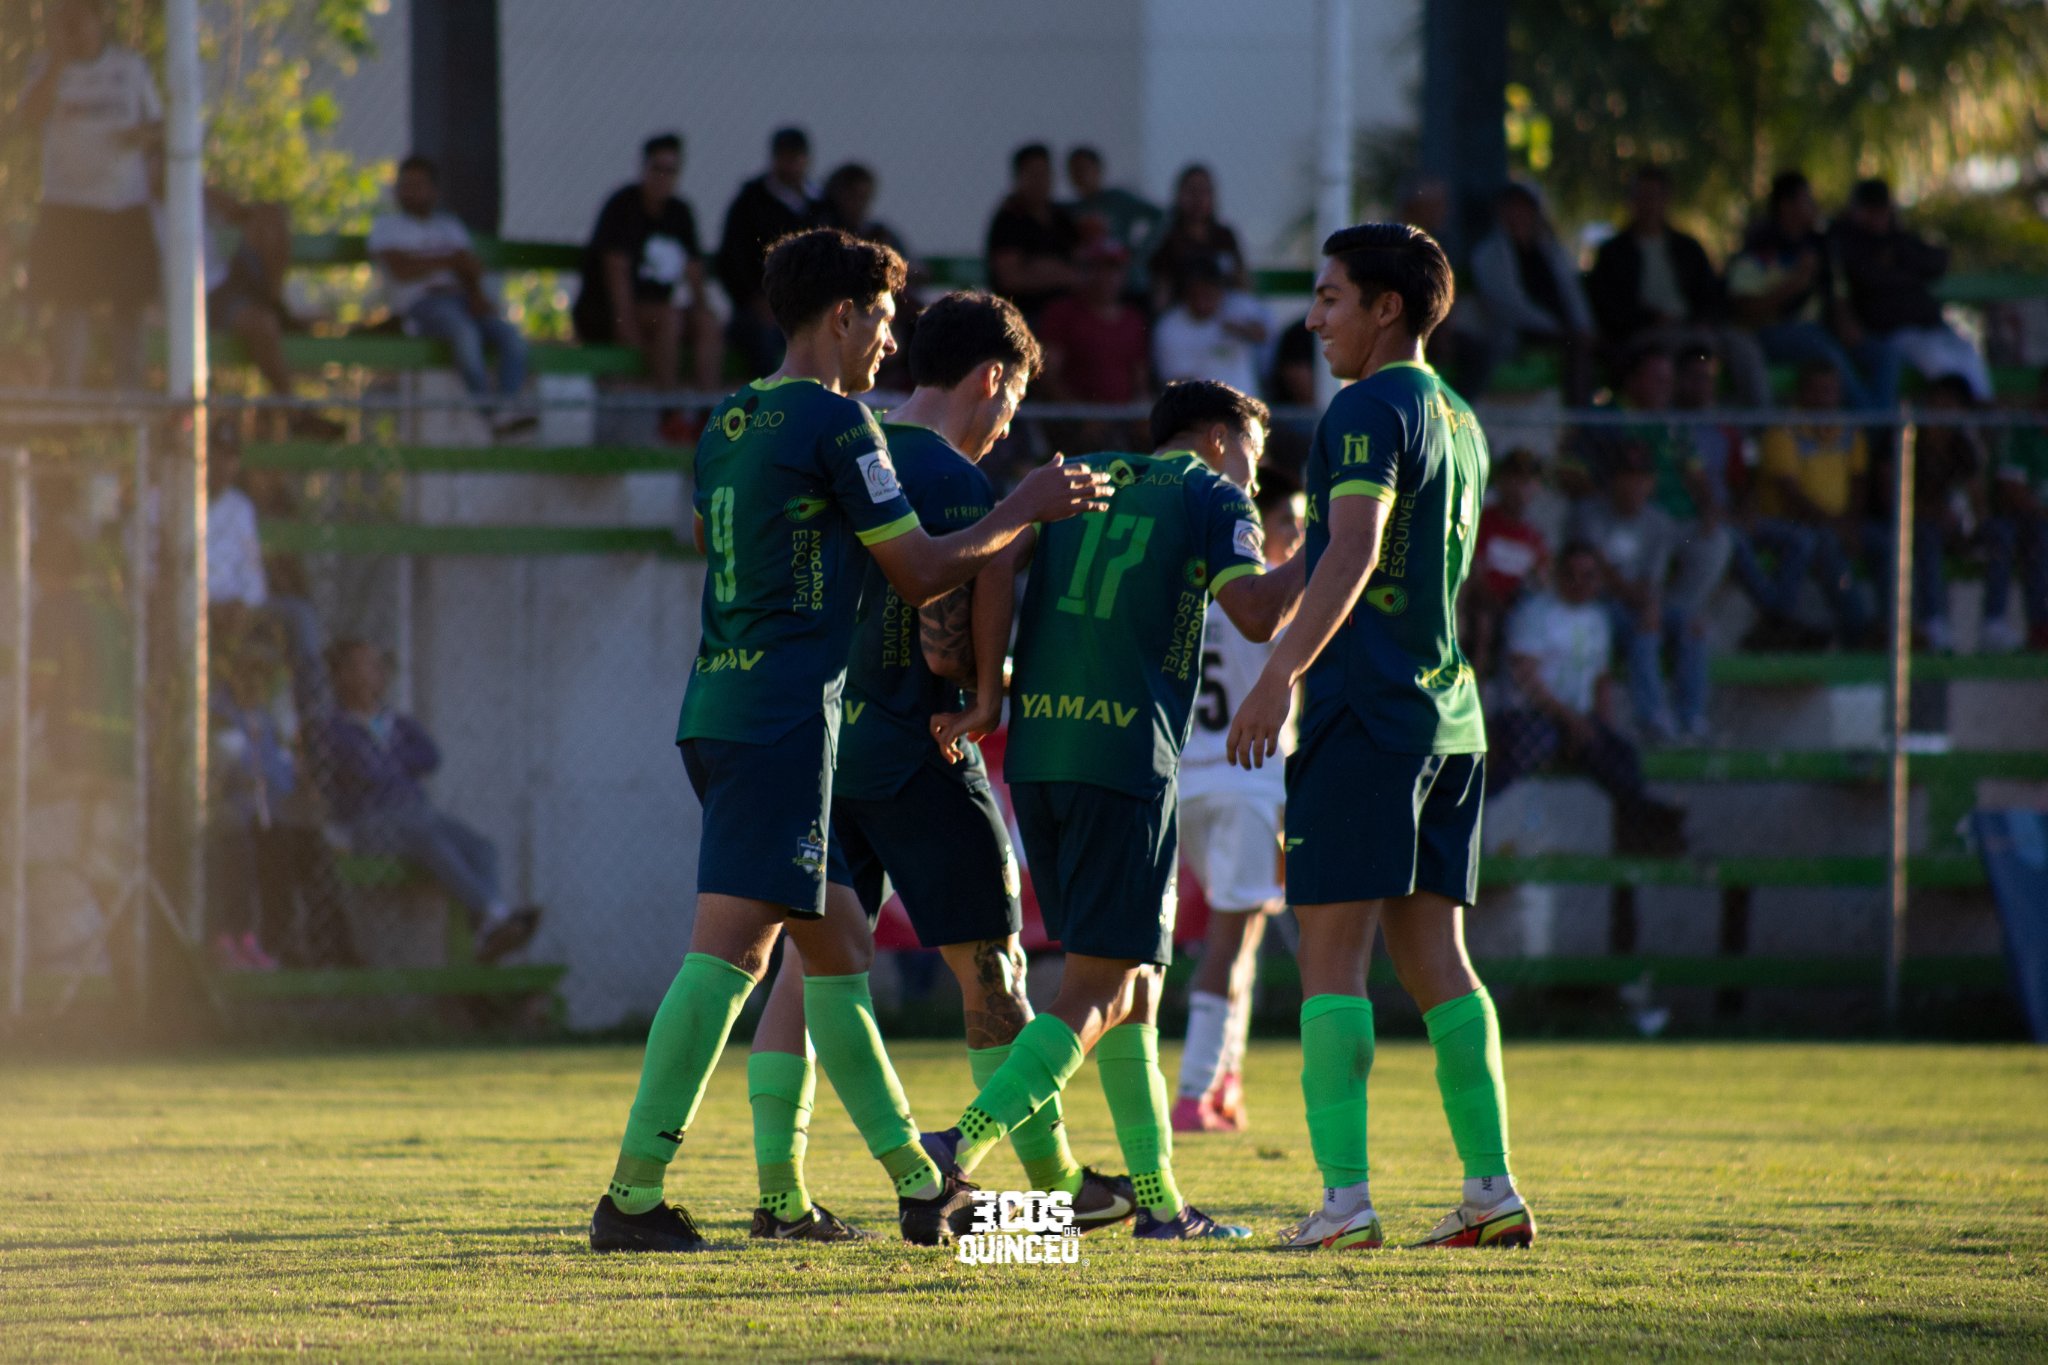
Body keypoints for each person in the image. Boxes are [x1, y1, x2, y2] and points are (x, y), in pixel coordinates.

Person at [590, 228, 1112, 1254]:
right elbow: (921, 572)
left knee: (834, 953)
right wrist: (1025, 506)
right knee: (731, 958)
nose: (890, 340)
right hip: (786, 720)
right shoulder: (841, 425)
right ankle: (633, 1197)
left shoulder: (729, 417)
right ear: (841, 315)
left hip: (723, 703)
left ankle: (914, 1193)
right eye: (881, 316)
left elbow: (732, 544)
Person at [742, 290, 1132, 1241]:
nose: (1006, 428)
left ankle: (782, 1196)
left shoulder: (852, 442)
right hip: (920, 749)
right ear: (991, 378)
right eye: (1012, 402)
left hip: (825, 744)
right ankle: (1047, 1193)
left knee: (811, 966)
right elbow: (948, 651)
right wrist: (991, 675)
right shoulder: (951, 475)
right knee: (991, 966)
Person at [922, 380, 1305, 1242]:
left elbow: (989, 567)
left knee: (1133, 981)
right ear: (1216, 439)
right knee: (1099, 985)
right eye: (1250, 453)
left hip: (1041, 758)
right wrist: (1348, 542)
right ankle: (955, 1146)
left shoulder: (1078, 475)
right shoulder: (1209, 493)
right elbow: (1254, 614)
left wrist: (989, 692)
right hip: (1126, 758)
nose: (1253, 476)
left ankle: (1160, 1205)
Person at [1223, 223, 1534, 1253]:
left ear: (1384, 308)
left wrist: (1276, 679)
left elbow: (1349, 553)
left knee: (1328, 958)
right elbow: (1312, 578)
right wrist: (1230, 574)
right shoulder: (1457, 415)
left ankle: (1344, 1203)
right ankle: (1489, 1190)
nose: (1311, 320)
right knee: (1434, 956)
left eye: (1328, 299)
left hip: (1366, 717)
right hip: (1447, 717)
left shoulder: (1364, 407)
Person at [1172, 468, 1305, 1134]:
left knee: (1242, 939)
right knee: (1228, 943)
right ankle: (1195, 1091)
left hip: (1190, 778)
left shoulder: (1198, 597)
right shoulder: (1276, 605)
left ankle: (1223, 1082)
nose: (1297, 536)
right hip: (1250, 781)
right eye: (1289, 525)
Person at [314, 639, 542, 964]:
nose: (378, 672)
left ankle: (488, 922)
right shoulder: (334, 727)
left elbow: (430, 757)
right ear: (343, 675)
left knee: (482, 847)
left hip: (415, 813)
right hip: (369, 822)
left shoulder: (397, 722)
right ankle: (494, 917)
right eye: (366, 664)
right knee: (432, 842)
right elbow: (365, 771)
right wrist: (395, 763)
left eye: (379, 664)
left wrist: (385, 757)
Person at [1487, 543, 1688, 854]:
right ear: (1558, 575)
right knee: (1537, 746)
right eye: (1572, 575)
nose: (1580, 583)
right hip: (1527, 718)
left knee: (1621, 754)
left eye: (1589, 576)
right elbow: (1525, 676)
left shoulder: (1597, 619)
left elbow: (1600, 680)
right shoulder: (1535, 613)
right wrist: (1573, 721)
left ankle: (1641, 834)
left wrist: (1599, 728)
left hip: (1572, 722)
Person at [20, 0, 161, 391]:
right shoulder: (46, 67)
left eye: (82, 20)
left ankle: (129, 406)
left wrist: (139, 136)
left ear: (100, 21)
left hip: (123, 204)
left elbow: (160, 125)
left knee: (128, 307)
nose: (75, 29)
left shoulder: (129, 69)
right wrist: (57, 65)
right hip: (69, 207)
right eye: (67, 22)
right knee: (70, 304)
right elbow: (29, 116)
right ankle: (69, 403)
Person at [368, 155, 534, 438]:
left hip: (463, 300)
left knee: (511, 338)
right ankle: (492, 412)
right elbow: (402, 269)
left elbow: (470, 267)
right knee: (465, 335)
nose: (410, 192)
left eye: (418, 185)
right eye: (405, 185)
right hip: (422, 305)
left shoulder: (449, 226)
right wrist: (448, 260)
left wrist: (476, 294)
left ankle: (506, 406)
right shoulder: (387, 226)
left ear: (434, 190)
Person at [1586, 167, 1769, 407]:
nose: (1649, 204)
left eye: (1656, 196)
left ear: (1667, 199)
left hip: (1696, 329)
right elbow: (1609, 306)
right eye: (1642, 196)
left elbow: (1712, 294)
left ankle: (1759, 426)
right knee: (1672, 361)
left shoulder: (1688, 248)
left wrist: (1704, 319)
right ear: (1631, 201)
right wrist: (1652, 318)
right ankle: (1674, 430)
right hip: (1647, 334)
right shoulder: (1613, 252)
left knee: (1744, 349)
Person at [573, 132, 724, 412]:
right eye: (657, 168)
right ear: (644, 168)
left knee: (705, 323)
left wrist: (703, 308)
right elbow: (615, 272)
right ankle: (669, 413)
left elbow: (693, 272)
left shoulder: (680, 213)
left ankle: (712, 417)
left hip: (658, 310)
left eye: (671, 170)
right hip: (609, 311)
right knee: (669, 319)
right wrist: (625, 325)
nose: (663, 177)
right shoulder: (623, 206)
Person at [1742, 360, 1886, 647]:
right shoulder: (1783, 432)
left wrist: (1851, 523)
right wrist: (1838, 527)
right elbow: (1791, 496)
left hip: (1840, 522)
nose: (1826, 398)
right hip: (1793, 521)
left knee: (1889, 542)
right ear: (1802, 394)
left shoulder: (1848, 430)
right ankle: (1857, 630)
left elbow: (1859, 481)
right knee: (1824, 541)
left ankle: (1894, 626)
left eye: (1831, 391)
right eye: (1818, 391)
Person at [1570, 448, 1696, 741]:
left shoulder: (1658, 521)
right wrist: (1647, 608)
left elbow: (1654, 580)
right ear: (1613, 481)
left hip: (1638, 603)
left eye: (1642, 478)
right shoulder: (1588, 513)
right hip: (1597, 605)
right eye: (1627, 477)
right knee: (1645, 631)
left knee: (1692, 626)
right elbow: (1597, 569)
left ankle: (1692, 720)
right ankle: (1651, 718)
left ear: (1651, 483)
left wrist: (1649, 606)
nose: (1634, 486)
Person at [1832, 178, 1992, 405]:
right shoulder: (1845, 241)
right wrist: (1903, 271)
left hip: (1932, 326)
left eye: (1882, 209)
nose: (1877, 215)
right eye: (1871, 209)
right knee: (1942, 366)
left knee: (1968, 354)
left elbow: (1938, 261)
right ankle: (1956, 427)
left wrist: (1898, 258)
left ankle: (1982, 421)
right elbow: (1870, 278)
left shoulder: (1899, 240)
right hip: (1894, 333)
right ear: (1857, 210)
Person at [1728, 170, 1874, 409]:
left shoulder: (1821, 246)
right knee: (1821, 347)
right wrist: (1795, 282)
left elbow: (1838, 296)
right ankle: (1867, 421)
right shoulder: (1760, 249)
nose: (1814, 207)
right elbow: (1745, 309)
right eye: (1807, 200)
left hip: (1822, 332)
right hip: (1773, 334)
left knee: (1884, 354)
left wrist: (1847, 323)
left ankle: (1875, 428)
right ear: (1786, 205)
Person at [1468, 182, 1596, 404]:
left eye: (1524, 208)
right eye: (1512, 208)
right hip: (1519, 335)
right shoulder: (1488, 255)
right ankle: (1579, 419)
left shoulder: (1551, 251)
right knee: (1575, 350)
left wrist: (1583, 326)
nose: (1518, 215)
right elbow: (1509, 305)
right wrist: (1556, 328)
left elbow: (1571, 292)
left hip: (1562, 331)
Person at [716, 127, 821, 378]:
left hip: (812, 309)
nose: (791, 163)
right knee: (765, 338)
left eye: (796, 156)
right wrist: (755, 300)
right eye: (785, 156)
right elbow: (732, 260)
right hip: (760, 311)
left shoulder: (822, 204)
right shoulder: (750, 203)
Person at [1908, 375, 1988, 652]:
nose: (1943, 412)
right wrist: (1935, 513)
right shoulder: (1906, 439)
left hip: (1949, 526)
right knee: (1927, 536)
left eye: (1950, 405)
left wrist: (1975, 525)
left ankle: (1995, 624)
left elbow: (1976, 495)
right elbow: (1891, 501)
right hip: (1911, 525)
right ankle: (1933, 621)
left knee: (2003, 534)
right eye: (1937, 404)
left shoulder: (1962, 446)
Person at [1468, 448, 1552, 680]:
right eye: (1515, 479)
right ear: (1502, 482)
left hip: (1517, 608)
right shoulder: (1484, 522)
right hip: (1482, 606)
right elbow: (1474, 571)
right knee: (1484, 624)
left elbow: (1542, 579)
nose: (1520, 489)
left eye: (1528, 482)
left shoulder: (1534, 536)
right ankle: (1476, 688)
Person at [1034, 238, 1149, 403]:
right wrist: (1079, 416)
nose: (1107, 277)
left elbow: (1140, 381)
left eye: (1114, 270)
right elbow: (1047, 375)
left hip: (1123, 421)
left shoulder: (1134, 320)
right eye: (1099, 269)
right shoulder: (1062, 313)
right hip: (1072, 421)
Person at [1983, 365, 2048, 652]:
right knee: (2025, 535)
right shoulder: (2022, 431)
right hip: (2013, 521)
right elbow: (2013, 493)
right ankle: (2023, 625)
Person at [985, 143, 1082, 323]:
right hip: (1024, 317)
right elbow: (1010, 278)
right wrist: (1056, 274)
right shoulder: (1009, 219)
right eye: (1034, 174)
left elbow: (1080, 268)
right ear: (1019, 177)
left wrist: (1046, 269)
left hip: (1066, 315)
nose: (1041, 181)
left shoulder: (1061, 217)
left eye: (1045, 173)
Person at [1151, 257, 1270, 398]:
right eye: (1196, 294)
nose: (1202, 301)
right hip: (1199, 412)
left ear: (1220, 288)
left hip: (1246, 407)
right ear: (1185, 293)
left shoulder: (1238, 305)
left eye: (1208, 292)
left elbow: (1264, 335)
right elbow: (1174, 381)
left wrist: (1240, 329)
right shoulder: (1169, 327)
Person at [1064, 145, 1161, 300]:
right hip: (1093, 290)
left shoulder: (1117, 199)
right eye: (1074, 170)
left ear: (1098, 169)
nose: (1080, 175)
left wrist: (1139, 252)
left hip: (1129, 284)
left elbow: (1159, 217)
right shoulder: (1070, 210)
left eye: (1084, 169)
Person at [1147, 164, 1247, 312]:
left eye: (1203, 191)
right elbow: (1162, 294)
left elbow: (1241, 282)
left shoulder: (1224, 237)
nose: (1197, 198)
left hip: (1223, 316)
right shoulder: (1167, 238)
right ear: (1179, 195)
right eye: (1191, 191)